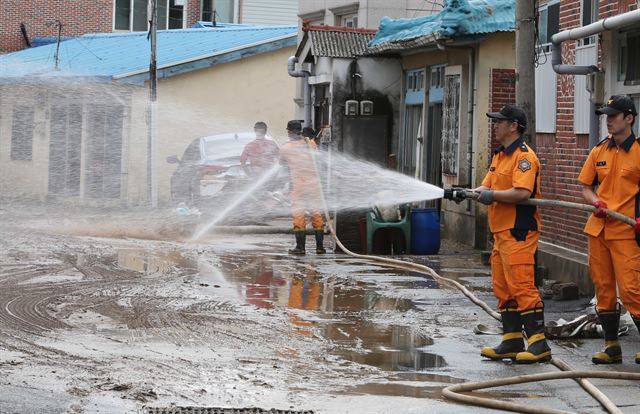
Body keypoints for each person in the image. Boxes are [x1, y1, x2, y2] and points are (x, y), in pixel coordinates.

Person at [476, 104, 552, 364]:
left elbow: (521, 193)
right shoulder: (500, 156)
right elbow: (486, 185)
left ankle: (538, 343)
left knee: (521, 284)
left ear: (514, 126)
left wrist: (491, 195)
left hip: (518, 231)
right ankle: (511, 341)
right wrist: (470, 192)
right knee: (503, 287)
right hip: (500, 231)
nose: (495, 125)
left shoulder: (524, 157)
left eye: (500, 121)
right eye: (495, 121)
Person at [577, 95, 640, 365]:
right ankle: (611, 346)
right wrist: (596, 202)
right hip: (598, 229)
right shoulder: (598, 151)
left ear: (629, 118)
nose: (608, 121)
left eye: (613, 116)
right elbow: (585, 187)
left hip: (626, 231)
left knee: (631, 290)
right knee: (603, 288)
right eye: (606, 116)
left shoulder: (639, 151)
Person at [278, 120, 326, 255]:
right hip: (314, 185)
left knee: (299, 214)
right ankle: (320, 247)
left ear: (289, 132)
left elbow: (281, 163)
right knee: (316, 213)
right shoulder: (310, 144)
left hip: (298, 185)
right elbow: (317, 160)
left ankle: (300, 248)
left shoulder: (285, 148)